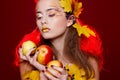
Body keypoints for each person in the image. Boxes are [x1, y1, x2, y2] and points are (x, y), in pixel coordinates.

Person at [14, 0, 103, 80]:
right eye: (39, 16)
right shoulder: (28, 63)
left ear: (70, 20)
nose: (43, 21)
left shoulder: (89, 63)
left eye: (51, 14)